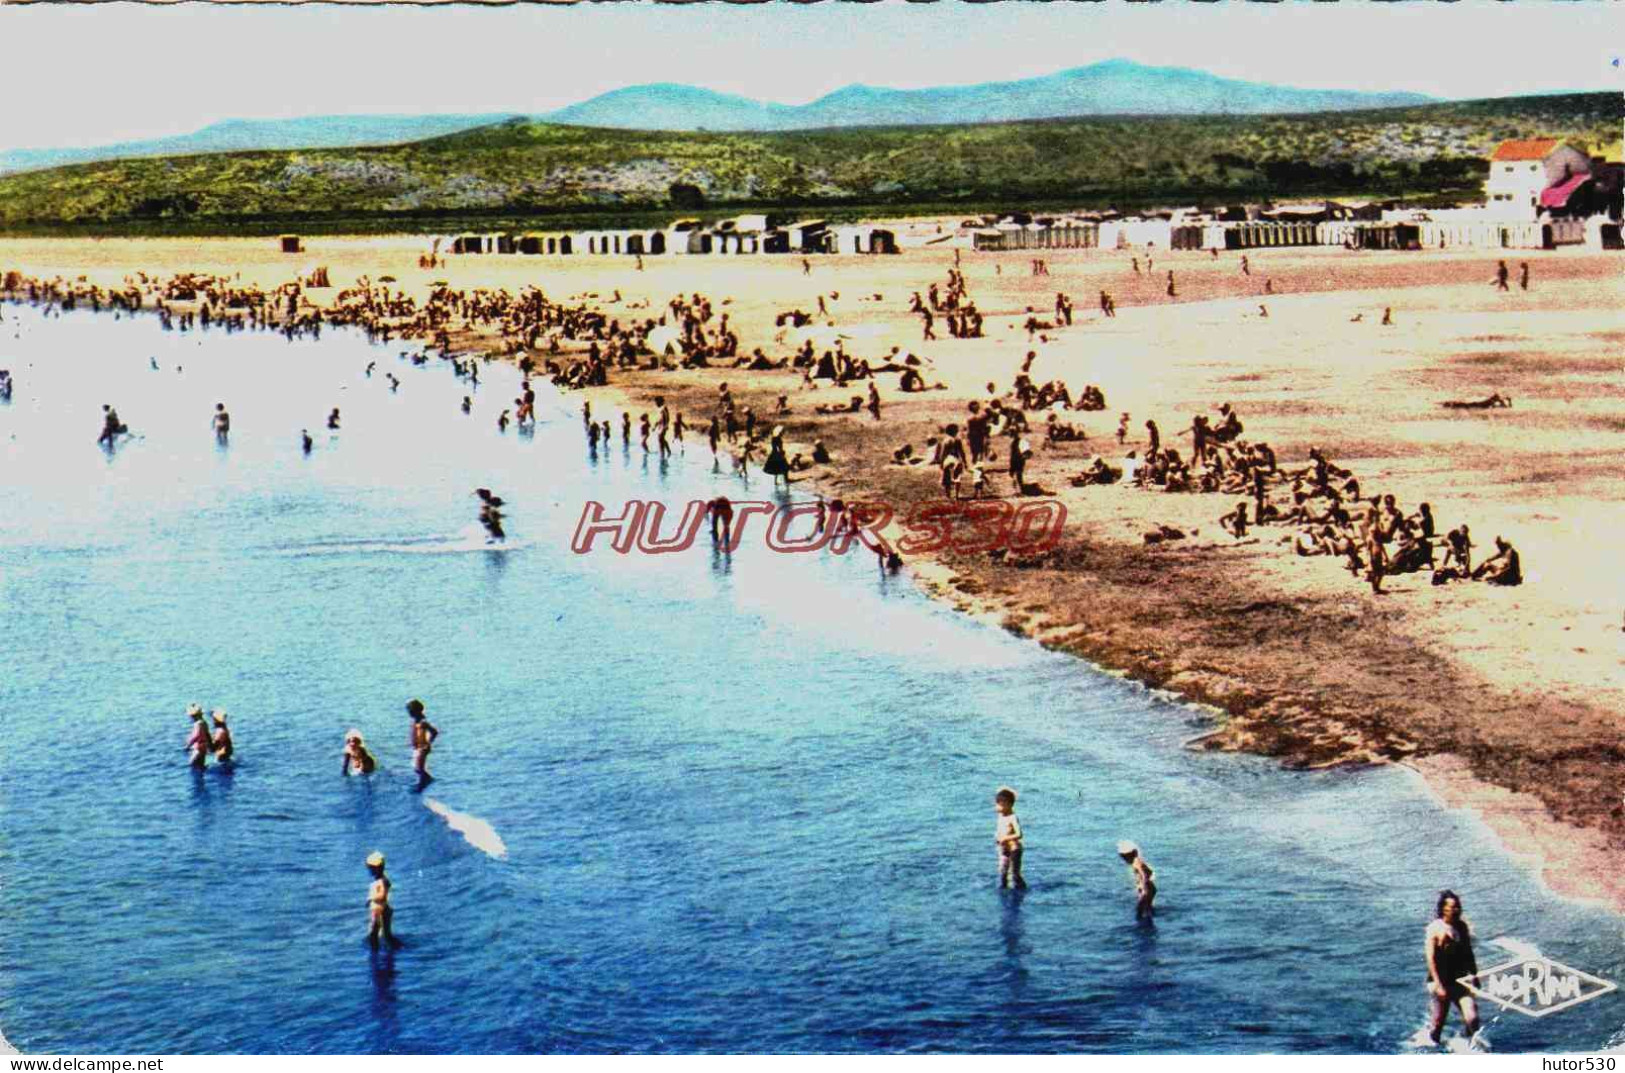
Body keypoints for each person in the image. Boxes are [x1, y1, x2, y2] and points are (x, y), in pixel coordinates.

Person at [1425, 890, 1481, 1046]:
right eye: (1453, 907)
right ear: (1444, 909)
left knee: (1473, 1018)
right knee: (1438, 1024)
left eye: (1458, 907)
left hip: (1460, 980)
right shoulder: (1434, 928)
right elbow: (1431, 959)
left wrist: (1475, 975)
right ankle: (1430, 1049)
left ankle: (1469, 1046)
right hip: (1440, 981)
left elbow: (1469, 952)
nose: (1457, 910)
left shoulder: (1462, 927)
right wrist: (1439, 986)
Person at [993, 787, 1026, 890]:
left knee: (1015, 874)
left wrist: (1006, 838)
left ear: (1008, 805)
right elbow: (1000, 830)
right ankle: (1003, 889)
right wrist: (997, 837)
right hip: (1004, 848)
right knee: (1002, 871)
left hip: (1014, 849)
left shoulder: (1013, 817)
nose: (997, 807)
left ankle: (1021, 889)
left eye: (1000, 804)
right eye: (997, 804)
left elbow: (1019, 834)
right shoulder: (1000, 816)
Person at [365, 852, 400, 949]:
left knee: (380, 934)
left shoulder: (382, 881)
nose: (370, 870)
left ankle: (382, 949)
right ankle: (378, 947)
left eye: (371, 868)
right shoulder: (378, 880)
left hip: (380, 910)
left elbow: (382, 896)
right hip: (377, 910)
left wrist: (371, 898)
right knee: (377, 934)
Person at [1117, 841, 1157, 920]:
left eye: (1125, 858)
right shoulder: (1138, 861)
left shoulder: (1136, 864)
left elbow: (1143, 875)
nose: (1125, 861)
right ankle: (1149, 917)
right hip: (1151, 888)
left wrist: (1143, 888)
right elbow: (1149, 872)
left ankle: (1143, 922)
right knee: (1148, 908)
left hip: (1148, 890)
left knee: (1140, 911)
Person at [407, 699, 439, 788]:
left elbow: (434, 732)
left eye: (410, 710)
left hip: (423, 747)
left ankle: (425, 782)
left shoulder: (422, 722)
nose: (409, 713)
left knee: (419, 768)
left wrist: (428, 743)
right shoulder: (415, 721)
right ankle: (426, 780)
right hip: (418, 747)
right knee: (416, 767)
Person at [185, 704, 211, 769]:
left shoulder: (198, 724)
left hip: (199, 748)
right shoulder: (204, 722)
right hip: (204, 747)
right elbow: (207, 734)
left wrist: (188, 744)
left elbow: (196, 735)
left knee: (192, 764)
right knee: (201, 764)